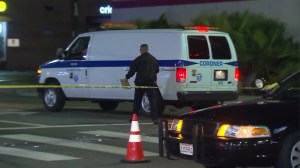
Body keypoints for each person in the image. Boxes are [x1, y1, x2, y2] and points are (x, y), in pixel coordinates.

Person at [125, 44, 160, 124]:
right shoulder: (154, 59)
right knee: (152, 101)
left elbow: (132, 70)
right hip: (151, 83)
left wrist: (127, 77)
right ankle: (155, 119)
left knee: (137, 101)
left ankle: (134, 117)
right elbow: (157, 70)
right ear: (147, 49)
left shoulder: (138, 59)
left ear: (141, 50)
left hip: (140, 83)